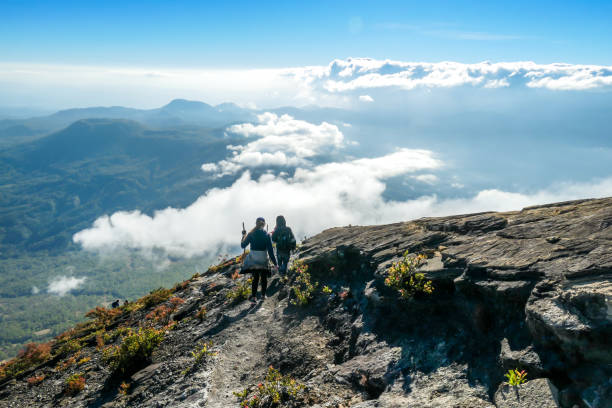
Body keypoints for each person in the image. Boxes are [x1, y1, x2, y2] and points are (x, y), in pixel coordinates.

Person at [241, 217, 277, 301]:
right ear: (264, 224)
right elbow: (270, 251)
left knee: (255, 278)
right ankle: (263, 296)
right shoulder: (267, 235)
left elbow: (243, 245)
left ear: (256, 223)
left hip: (254, 259)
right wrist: (275, 263)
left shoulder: (251, 234)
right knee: (264, 278)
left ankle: (253, 297)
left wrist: (243, 236)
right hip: (263, 258)